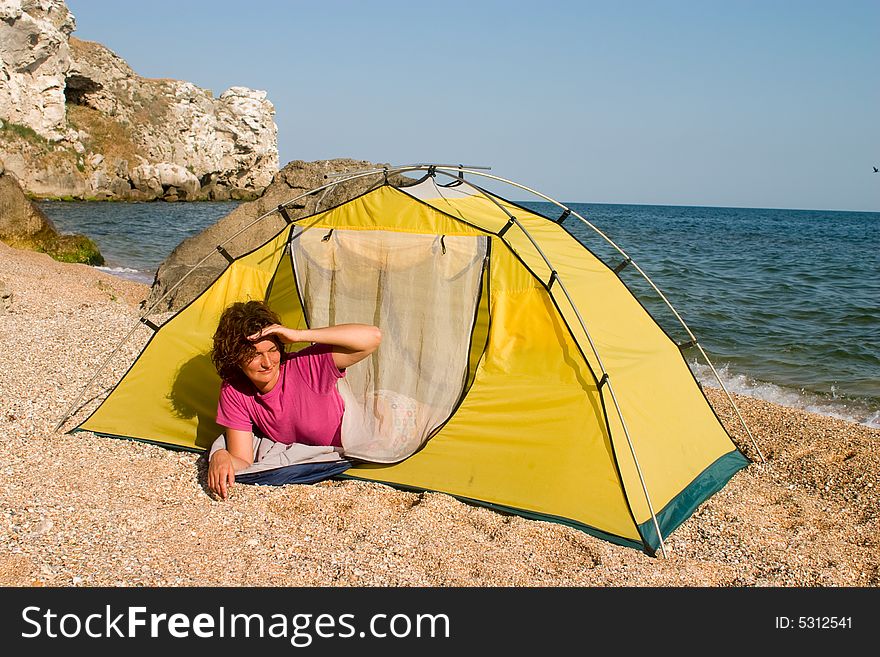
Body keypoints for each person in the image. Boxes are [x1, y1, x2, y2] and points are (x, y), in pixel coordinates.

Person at [207, 300, 381, 499]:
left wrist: (298, 335)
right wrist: (219, 455)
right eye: (254, 355)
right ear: (234, 357)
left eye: (272, 350)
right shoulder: (235, 391)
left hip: (371, 423)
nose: (267, 363)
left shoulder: (307, 365)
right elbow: (243, 460)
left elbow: (372, 337)